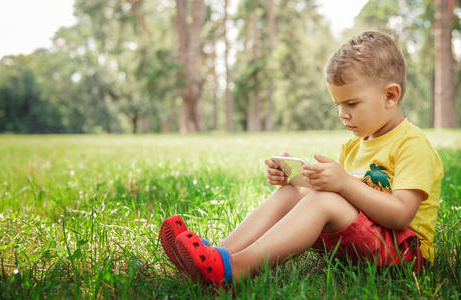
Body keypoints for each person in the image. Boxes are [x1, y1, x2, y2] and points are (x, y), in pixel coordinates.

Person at [160, 31, 444, 287]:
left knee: (325, 199)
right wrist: (296, 177)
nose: (342, 114)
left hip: (405, 256)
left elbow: (400, 215)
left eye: (352, 103)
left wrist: (342, 184)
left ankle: (236, 269)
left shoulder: (411, 144)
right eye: (338, 105)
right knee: (292, 194)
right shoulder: (354, 146)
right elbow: (347, 205)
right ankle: (218, 255)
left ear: (390, 96)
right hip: (370, 241)